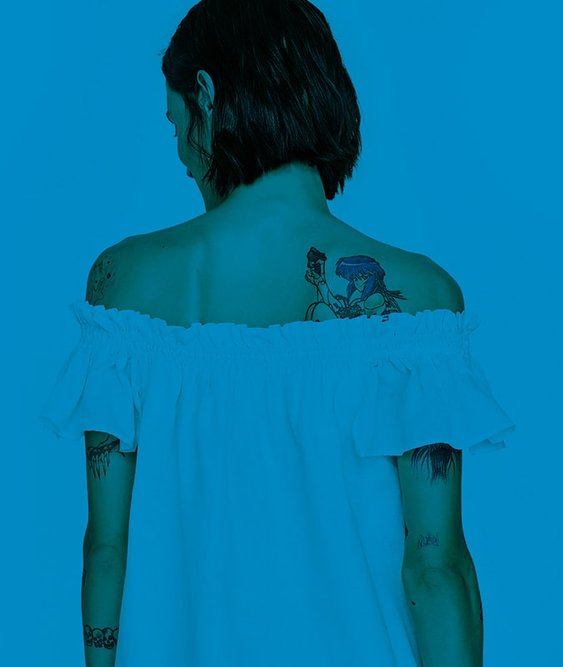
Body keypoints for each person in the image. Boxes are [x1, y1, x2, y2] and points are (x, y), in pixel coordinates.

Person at [40, 1, 513, 665]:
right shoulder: (420, 304)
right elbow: (436, 570)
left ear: (206, 94)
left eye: (175, 123)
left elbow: (106, 548)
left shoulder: (124, 290)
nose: (183, 158)